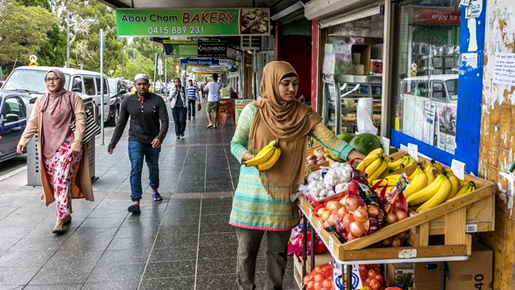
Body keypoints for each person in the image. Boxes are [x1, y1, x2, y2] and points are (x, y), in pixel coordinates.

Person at [229, 61, 365, 290]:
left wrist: (354, 155)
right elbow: (236, 143)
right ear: (272, 83)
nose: (291, 89)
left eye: (295, 83)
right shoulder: (253, 111)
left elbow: (330, 141)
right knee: (245, 252)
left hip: (282, 196)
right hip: (251, 195)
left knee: (278, 253)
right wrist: (249, 157)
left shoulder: (303, 114)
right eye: (285, 84)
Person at [16, 69, 94, 234]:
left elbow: (81, 121)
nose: (51, 82)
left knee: (61, 177)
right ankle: (66, 212)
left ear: (62, 80)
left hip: (69, 145)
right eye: (48, 79)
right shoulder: (41, 101)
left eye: (55, 78)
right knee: (58, 182)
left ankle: (60, 217)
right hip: (48, 148)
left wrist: (77, 142)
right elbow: (33, 122)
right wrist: (23, 141)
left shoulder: (73, 98)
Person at [108, 74, 169, 213]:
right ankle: (136, 201)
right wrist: (113, 143)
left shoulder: (157, 100)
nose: (142, 86)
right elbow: (121, 123)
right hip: (135, 140)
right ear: (135, 85)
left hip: (153, 141)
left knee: (153, 167)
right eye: (139, 84)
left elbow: (165, 121)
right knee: (136, 167)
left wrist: (160, 137)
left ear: (149, 85)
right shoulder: (128, 101)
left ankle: (154, 188)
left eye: (145, 84)